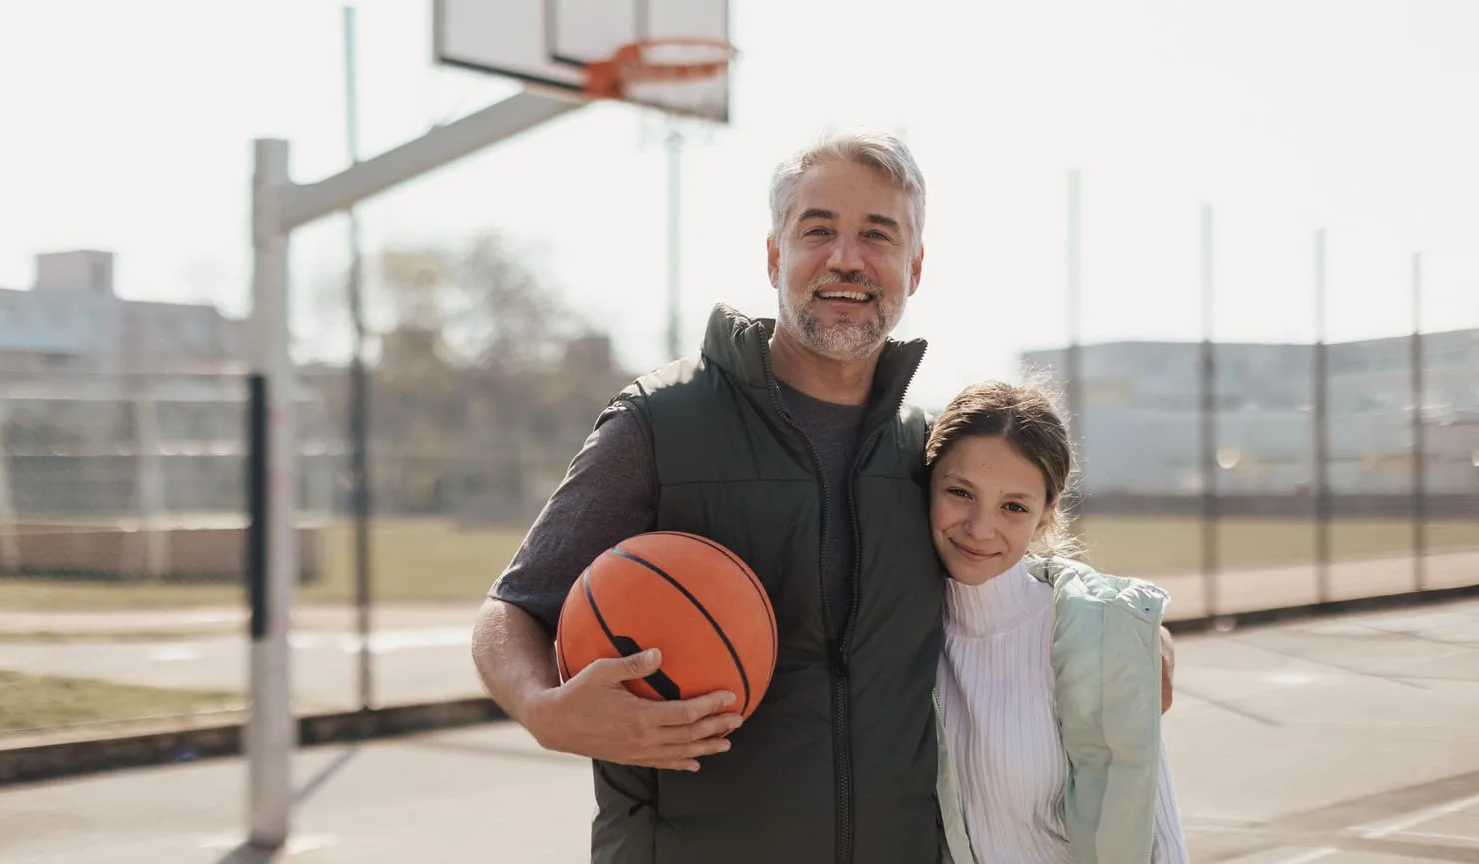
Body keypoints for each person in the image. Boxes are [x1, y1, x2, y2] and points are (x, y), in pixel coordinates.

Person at [470, 129, 1173, 864]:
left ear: (915, 265)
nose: (847, 258)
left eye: (878, 234)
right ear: (775, 255)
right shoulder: (660, 425)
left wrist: (1128, 630)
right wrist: (543, 710)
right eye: (818, 231)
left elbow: (1007, 571)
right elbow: (514, 607)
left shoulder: (923, 449)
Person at [924, 381, 1188, 863]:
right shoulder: (903, 633)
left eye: (1013, 506)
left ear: (1046, 516)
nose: (980, 528)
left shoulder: (1101, 635)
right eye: (961, 492)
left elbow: (1158, 836)